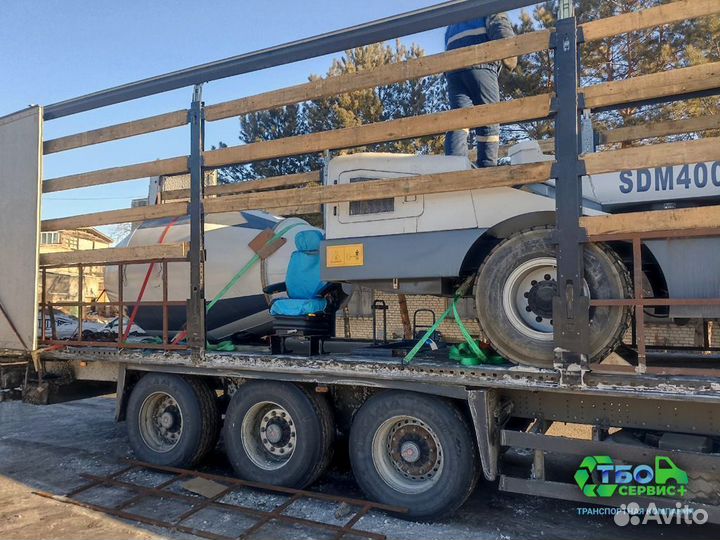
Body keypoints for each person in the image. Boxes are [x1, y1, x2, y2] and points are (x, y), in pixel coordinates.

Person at [444, 14, 516, 167]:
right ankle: (487, 166)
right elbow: (499, 22)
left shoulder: (454, 16)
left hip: (453, 70)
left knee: (459, 120)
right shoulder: (483, 6)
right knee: (488, 119)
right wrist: (510, 54)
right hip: (481, 63)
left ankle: (453, 165)